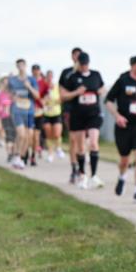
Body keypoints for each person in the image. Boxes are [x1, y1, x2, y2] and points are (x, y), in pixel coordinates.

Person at [105, 56, 136, 203]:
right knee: (124, 159)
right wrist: (117, 116)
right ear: (133, 66)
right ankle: (122, 177)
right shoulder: (123, 80)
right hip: (123, 125)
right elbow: (108, 100)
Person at [63, 52, 105, 189]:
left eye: (86, 64)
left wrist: (99, 91)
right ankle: (82, 174)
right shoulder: (72, 77)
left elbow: (102, 88)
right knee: (80, 147)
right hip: (78, 115)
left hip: (93, 114)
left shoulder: (95, 75)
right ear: (78, 64)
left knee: (93, 142)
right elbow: (63, 96)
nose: (84, 67)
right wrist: (76, 92)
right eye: (82, 65)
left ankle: (94, 175)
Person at [8, 60, 39, 170]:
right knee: (21, 134)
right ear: (17, 67)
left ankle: (20, 157)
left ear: (26, 66)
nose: (21, 67)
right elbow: (8, 94)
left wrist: (29, 86)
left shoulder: (32, 79)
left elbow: (37, 96)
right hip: (17, 110)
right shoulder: (12, 80)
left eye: (22, 65)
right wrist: (12, 98)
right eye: (19, 65)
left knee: (29, 136)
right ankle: (16, 155)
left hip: (29, 111)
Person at [59, 48, 83, 184]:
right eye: (75, 56)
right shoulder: (67, 73)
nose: (78, 58)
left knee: (83, 142)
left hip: (86, 112)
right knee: (73, 140)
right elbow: (62, 92)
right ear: (72, 57)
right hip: (71, 109)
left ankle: (82, 167)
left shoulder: (89, 74)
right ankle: (74, 168)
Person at [41, 69, 65, 162]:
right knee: (48, 134)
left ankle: (58, 148)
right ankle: (50, 153)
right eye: (48, 77)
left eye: (51, 77)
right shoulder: (43, 88)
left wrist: (55, 100)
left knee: (57, 133)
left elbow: (61, 99)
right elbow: (41, 101)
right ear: (46, 78)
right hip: (46, 114)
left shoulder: (57, 87)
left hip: (56, 113)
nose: (50, 79)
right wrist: (45, 99)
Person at [30, 64, 48, 166]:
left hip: (39, 112)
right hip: (28, 111)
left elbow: (47, 95)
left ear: (40, 71)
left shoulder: (44, 83)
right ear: (32, 71)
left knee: (36, 136)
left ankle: (33, 156)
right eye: (34, 70)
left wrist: (44, 101)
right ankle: (26, 153)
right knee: (29, 136)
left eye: (37, 70)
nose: (36, 72)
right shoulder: (28, 82)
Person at [0, 79, 16, 161]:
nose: (6, 84)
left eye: (7, 82)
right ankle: (9, 154)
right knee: (8, 136)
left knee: (15, 136)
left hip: (15, 116)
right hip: (5, 117)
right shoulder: (0, 95)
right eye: (4, 82)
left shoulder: (13, 94)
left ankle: (14, 153)